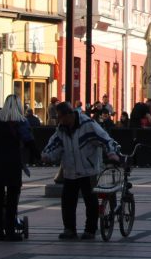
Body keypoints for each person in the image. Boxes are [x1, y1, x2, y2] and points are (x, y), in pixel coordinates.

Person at [42, 101, 120, 240]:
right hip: (70, 171)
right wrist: (46, 155)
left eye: (60, 117)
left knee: (90, 201)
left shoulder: (87, 124)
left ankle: (90, 230)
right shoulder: (62, 129)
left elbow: (105, 138)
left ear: (69, 115)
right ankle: (69, 229)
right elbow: (54, 144)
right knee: (67, 201)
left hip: (88, 170)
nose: (59, 120)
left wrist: (111, 153)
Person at [0, 94, 34, 241]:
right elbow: (28, 139)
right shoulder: (21, 121)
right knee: (12, 199)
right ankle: (10, 231)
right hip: (13, 162)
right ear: (18, 105)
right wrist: (37, 155)